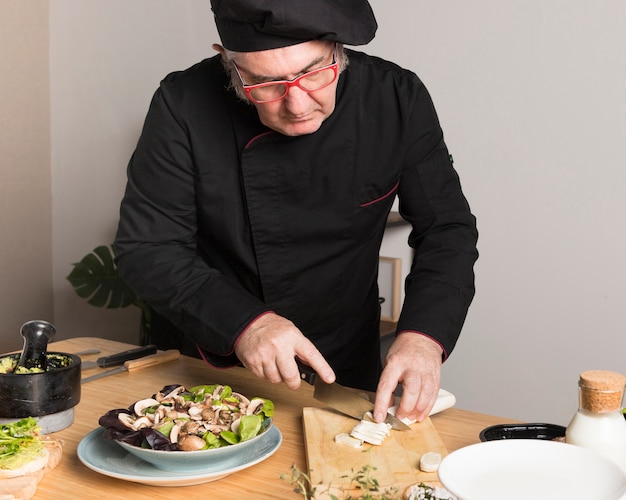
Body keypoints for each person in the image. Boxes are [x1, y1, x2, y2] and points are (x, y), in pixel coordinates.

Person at [114, 0, 478, 425]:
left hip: (343, 358)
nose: (299, 105)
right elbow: (148, 248)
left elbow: (447, 229)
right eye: (267, 85)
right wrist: (247, 325)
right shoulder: (182, 105)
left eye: (315, 72)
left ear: (338, 50)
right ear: (228, 63)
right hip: (219, 358)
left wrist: (422, 338)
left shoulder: (396, 98)